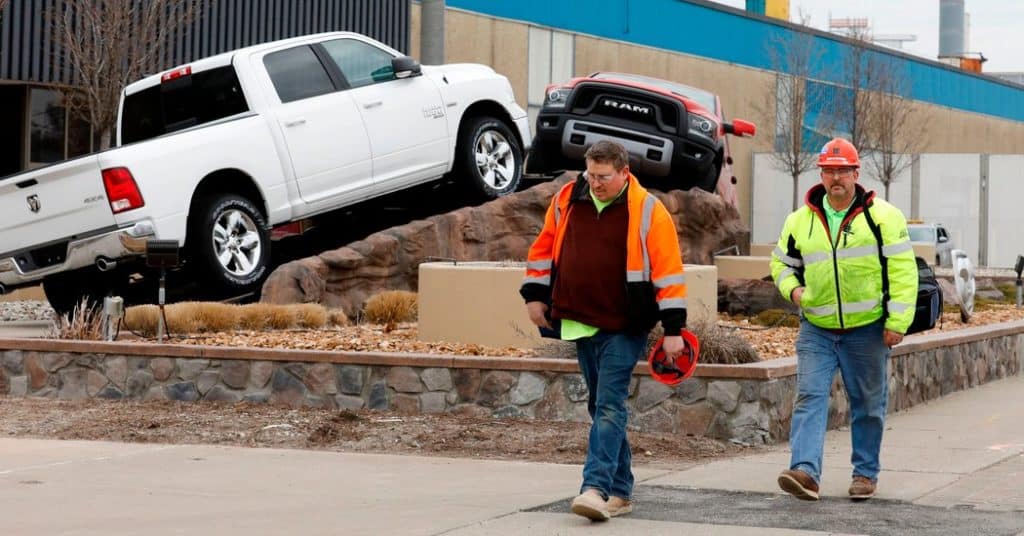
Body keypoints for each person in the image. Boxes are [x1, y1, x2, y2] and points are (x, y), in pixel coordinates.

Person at [520, 140, 687, 521]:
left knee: (609, 404)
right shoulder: (567, 197)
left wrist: (674, 328)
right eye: (590, 175)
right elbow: (543, 248)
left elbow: (669, 271)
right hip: (579, 318)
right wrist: (534, 295)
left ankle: (595, 488)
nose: (595, 183)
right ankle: (622, 490)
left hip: (624, 325)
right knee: (600, 406)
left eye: (603, 177)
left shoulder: (648, 210)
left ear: (624, 173)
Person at [770, 137, 918, 501]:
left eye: (842, 170)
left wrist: (897, 322)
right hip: (817, 329)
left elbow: (903, 271)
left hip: (866, 330)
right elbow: (780, 264)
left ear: (856, 172)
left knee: (868, 404)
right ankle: (805, 471)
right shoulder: (799, 221)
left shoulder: (883, 216)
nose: (835, 178)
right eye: (829, 170)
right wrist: (794, 291)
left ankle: (865, 474)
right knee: (809, 396)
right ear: (820, 173)